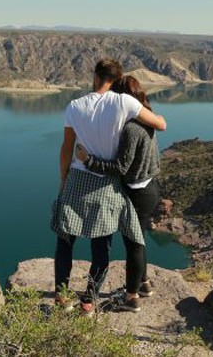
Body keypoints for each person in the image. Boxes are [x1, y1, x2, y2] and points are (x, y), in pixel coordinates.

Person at [52, 59, 166, 315]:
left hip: (77, 179)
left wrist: (63, 180)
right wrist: (158, 116)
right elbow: (159, 124)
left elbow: (66, 148)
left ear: (95, 77)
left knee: (64, 241)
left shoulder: (74, 106)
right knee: (100, 247)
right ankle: (89, 302)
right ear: (117, 80)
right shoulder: (125, 103)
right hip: (105, 184)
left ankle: (61, 297)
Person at [75, 75, 162, 313]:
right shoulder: (149, 121)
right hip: (149, 189)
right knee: (139, 241)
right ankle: (143, 283)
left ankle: (131, 297)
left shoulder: (132, 128)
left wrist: (88, 160)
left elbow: (121, 168)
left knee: (133, 245)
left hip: (135, 194)